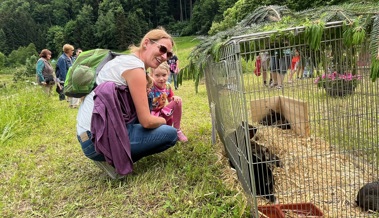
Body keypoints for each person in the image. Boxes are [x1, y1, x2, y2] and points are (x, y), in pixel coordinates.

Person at [76, 27, 178, 179]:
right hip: (96, 140)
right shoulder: (134, 68)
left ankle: (116, 155)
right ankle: (116, 158)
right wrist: (164, 120)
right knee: (170, 134)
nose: (164, 56)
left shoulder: (124, 60)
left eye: (168, 54)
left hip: (88, 136)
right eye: (162, 49)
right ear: (146, 43)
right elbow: (147, 121)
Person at [149, 62, 188, 142]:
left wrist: (174, 97)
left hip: (162, 114)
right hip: (151, 116)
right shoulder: (150, 86)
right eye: (157, 75)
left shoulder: (167, 86)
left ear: (168, 74)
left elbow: (171, 101)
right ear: (151, 75)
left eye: (164, 75)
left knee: (177, 101)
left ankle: (177, 130)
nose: (161, 78)